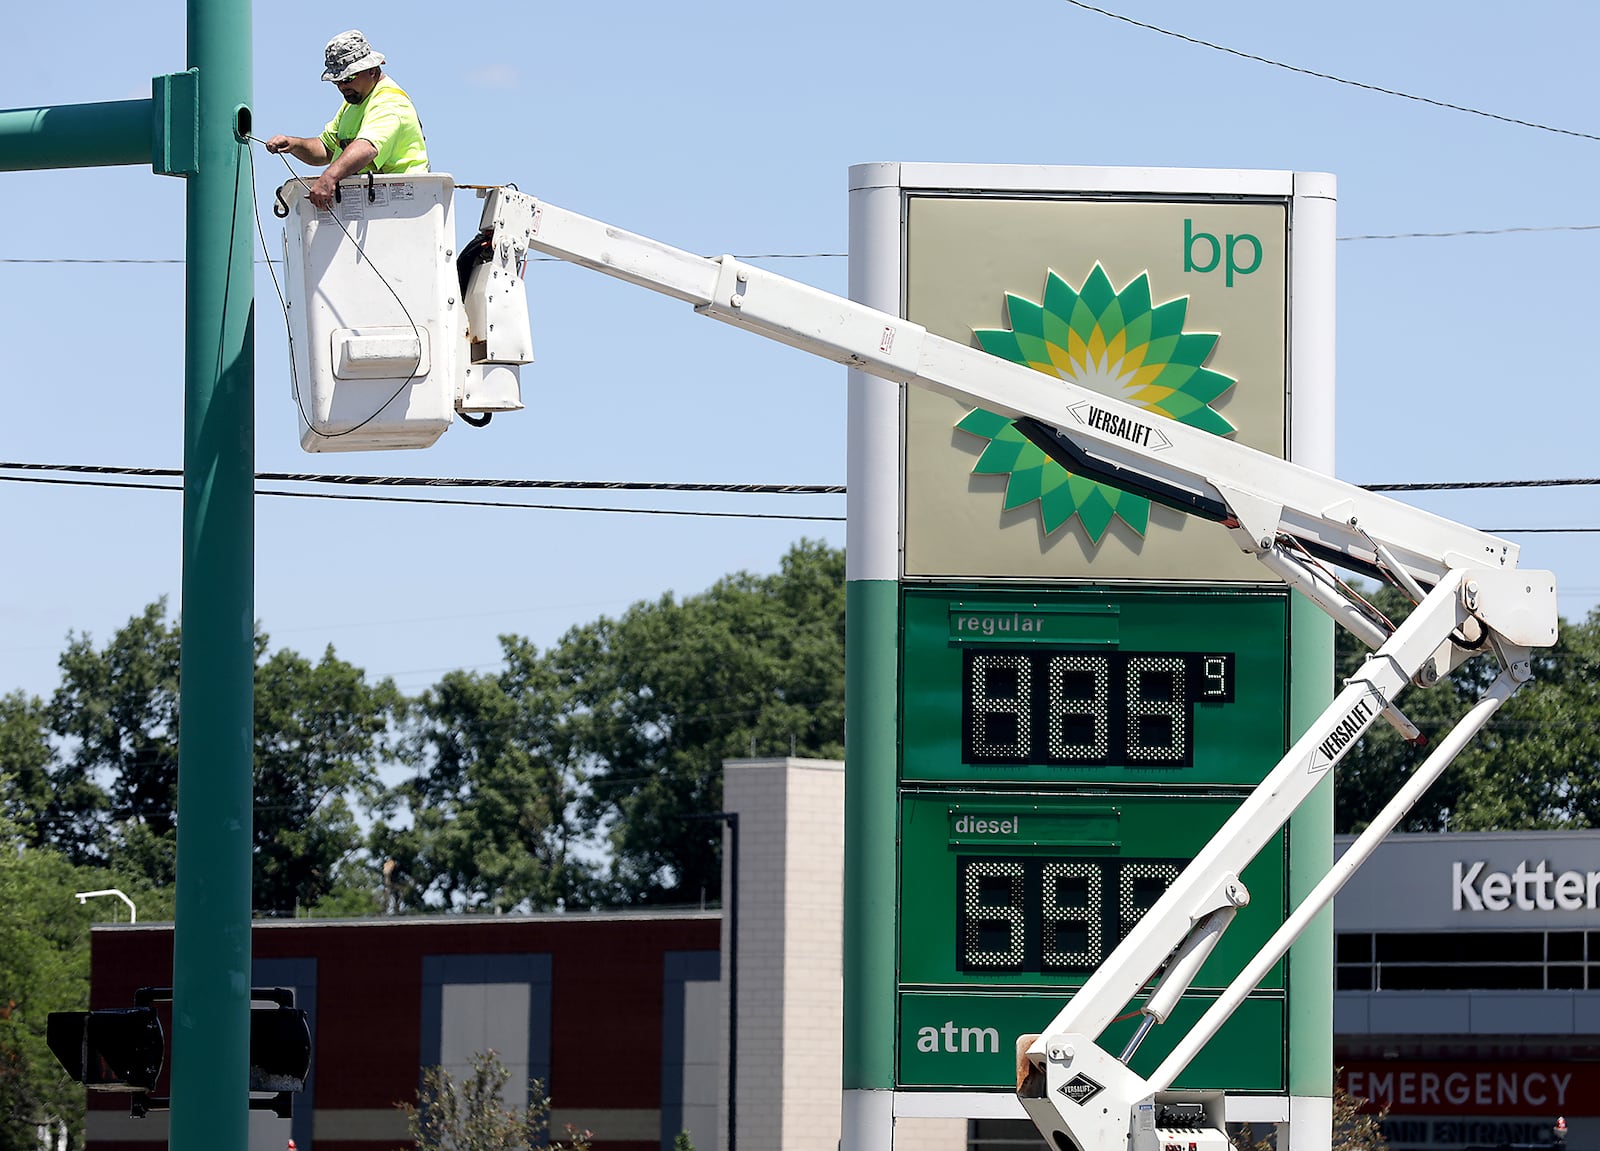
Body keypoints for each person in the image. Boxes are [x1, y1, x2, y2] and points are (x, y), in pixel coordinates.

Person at [265, 30, 428, 210]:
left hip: (404, 207)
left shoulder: (390, 102)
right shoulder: (353, 103)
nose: (342, 87)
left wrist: (329, 178)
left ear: (372, 70)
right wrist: (294, 144)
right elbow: (325, 149)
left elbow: (367, 148)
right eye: (337, 81)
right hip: (374, 209)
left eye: (348, 78)